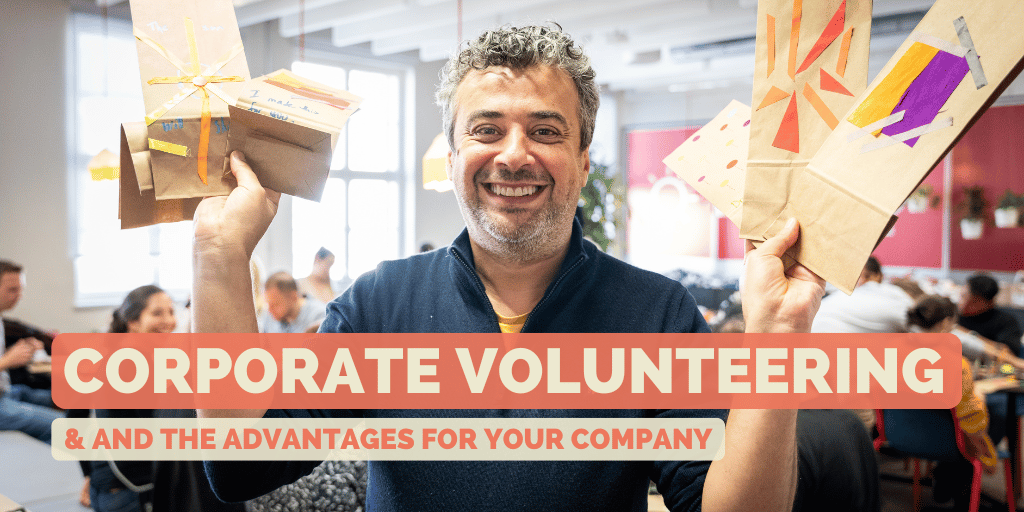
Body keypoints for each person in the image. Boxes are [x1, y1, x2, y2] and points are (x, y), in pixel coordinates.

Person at [191, 24, 825, 511]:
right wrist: (219, 256)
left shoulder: (654, 315)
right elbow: (242, 466)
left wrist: (778, 338)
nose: (513, 155)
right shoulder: (382, 303)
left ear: (581, 159)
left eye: (546, 131)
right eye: (487, 129)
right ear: (453, 155)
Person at [75, 285, 176, 512]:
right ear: (132, 322)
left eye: (171, 311)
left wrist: (92, 471)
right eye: (157, 313)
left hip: (112, 484)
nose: (169, 321)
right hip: (131, 491)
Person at [906, 295, 999, 511]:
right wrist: (978, 395)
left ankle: (944, 482)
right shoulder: (956, 363)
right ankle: (959, 495)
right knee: (981, 427)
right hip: (950, 444)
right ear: (946, 323)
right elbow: (973, 425)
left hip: (900, 436)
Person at [0, 259, 62, 443]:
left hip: (7, 392)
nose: (19, 295)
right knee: (61, 425)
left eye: (21, 289)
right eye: (12, 290)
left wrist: (19, 351)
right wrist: (7, 361)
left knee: (66, 398)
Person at [811, 255, 915, 334]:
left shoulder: (890, 295)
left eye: (865, 276)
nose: (860, 282)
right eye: (854, 278)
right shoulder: (837, 296)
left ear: (878, 276)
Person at [958, 274, 1023, 356]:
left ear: (982, 302)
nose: (959, 301)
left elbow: (1008, 352)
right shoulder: (954, 317)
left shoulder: (1005, 321)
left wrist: (968, 335)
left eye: (964, 297)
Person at [260, 272, 327, 334]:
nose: (270, 310)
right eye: (268, 304)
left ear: (293, 297)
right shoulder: (270, 317)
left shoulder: (320, 316)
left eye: (275, 305)